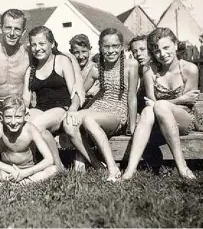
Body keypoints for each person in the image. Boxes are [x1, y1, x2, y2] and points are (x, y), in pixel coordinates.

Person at [0, 9, 85, 182]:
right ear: (0, 29)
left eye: (17, 29)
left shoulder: (30, 52)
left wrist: (79, 84)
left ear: (23, 32)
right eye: (8, 28)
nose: (12, 33)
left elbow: (61, 55)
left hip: (20, 110)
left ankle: (28, 169)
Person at [122, 27, 199, 180]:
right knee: (147, 110)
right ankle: (130, 171)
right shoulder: (149, 70)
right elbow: (151, 103)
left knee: (159, 106)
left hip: (183, 120)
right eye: (157, 51)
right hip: (158, 121)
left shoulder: (190, 69)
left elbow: (188, 104)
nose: (162, 54)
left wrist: (173, 102)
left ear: (175, 45)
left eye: (166, 48)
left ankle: (182, 166)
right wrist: (180, 99)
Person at [63, 28, 139, 181]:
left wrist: (132, 126)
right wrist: (73, 107)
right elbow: (80, 93)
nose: (111, 51)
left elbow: (132, 97)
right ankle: (98, 165)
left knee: (89, 120)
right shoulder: (96, 69)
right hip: (97, 107)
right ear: (100, 47)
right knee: (68, 123)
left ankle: (113, 169)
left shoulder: (131, 65)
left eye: (115, 46)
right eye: (106, 47)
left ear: (122, 47)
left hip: (117, 111)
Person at [22, 26, 80, 169]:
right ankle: (31, 162)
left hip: (61, 108)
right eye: (34, 44)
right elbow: (25, 99)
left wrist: (73, 108)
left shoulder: (61, 61)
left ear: (52, 44)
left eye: (42, 44)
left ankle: (57, 166)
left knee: (35, 126)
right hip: (41, 109)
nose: (37, 48)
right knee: (24, 124)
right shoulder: (31, 70)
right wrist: (20, 111)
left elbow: (75, 92)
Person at [0, 95, 58, 184]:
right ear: (1, 116)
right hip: (7, 170)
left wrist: (24, 173)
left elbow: (49, 159)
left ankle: (14, 182)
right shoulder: (0, 128)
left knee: (53, 170)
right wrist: (12, 170)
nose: (13, 122)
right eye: (8, 117)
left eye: (18, 117)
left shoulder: (31, 129)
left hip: (28, 171)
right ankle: (22, 182)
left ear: (25, 116)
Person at [69, 34, 100, 100]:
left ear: (90, 50)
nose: (80, 56)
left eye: (84, 51)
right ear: (71, 52)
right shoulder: (69, 70)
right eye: (76, 52)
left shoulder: (96, 69)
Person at [128, 35, 151, 114]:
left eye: (142, 49)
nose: (138, 54)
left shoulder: (158, 71)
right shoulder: (134, 71)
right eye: (135, 51)